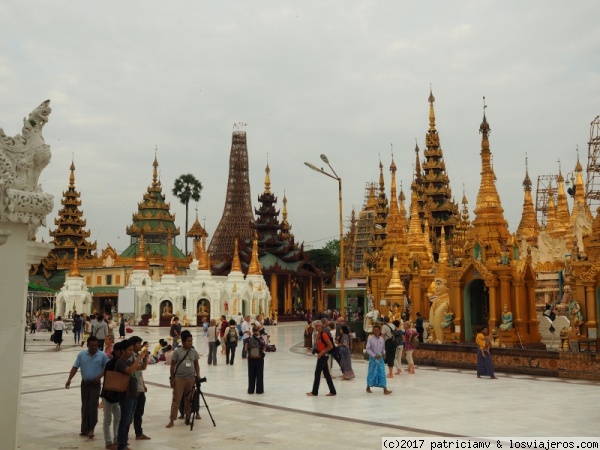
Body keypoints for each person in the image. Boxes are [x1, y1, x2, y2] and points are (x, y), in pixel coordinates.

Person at [65, 336, 109, 439]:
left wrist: (99, 377)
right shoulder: (82, 355)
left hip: (95, 384)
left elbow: (107, 368)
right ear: (87, 345)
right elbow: (75, 367)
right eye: (92, 345)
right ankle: (84, 428)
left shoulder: (102, 355)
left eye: (95, 345)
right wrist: (69, 379)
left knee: (93, 406)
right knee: (84, 406)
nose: (94, 347)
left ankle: (91, 429)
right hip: (85, 384)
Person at [115, 339, 148, 450]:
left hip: (133, 395)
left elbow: (142, 368)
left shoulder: (129, 361)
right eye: (129, 350)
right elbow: (129, 371)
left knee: (128, 420)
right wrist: (138, 358)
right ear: (123, 351)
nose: (131, 352)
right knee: (124, 420)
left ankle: (124, 443)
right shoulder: (121, 362)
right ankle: (121, 444)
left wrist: (146, 357)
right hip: (126, 395)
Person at [166, 330, 200, 428]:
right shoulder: (177, 351)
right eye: (189, 341)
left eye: (191, 341)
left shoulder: (194, 352)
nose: (191, 342)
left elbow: (196, 365)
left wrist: (198, 375)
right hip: (179, 379)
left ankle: (187, 417)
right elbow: (172, 366)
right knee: (176, 399)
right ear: (183, 341)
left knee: (189, 399)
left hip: (190, 378)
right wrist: (172, 379)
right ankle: (172, 420)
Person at [127, 337, 151, 441]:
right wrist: (140, 357)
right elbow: (134, 368)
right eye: (138, 343)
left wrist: (145, 358)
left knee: (139, 412)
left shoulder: (137, 356)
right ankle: (124, 435)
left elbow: (142, 369)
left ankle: (139, 433)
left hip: (140, 388)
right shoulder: (130, 356)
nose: (140, 345)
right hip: (133, 389)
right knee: (129, 414)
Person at [101, 341, 122, 450]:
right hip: (109, 395)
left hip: (117, 395)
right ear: (118, 351)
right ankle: (108, 442)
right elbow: (108, 381)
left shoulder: (121, 362)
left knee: (118, 417)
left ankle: (117, 439)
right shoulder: (111, 364)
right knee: (107, 419)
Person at [306, 320, 336, 397]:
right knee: (326, 374)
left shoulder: (324, 334)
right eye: (315, 326)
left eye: (317, 326)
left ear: (321, 326)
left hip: (323, 356)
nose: (315, 327)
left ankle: (314, 392)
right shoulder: (318, 334)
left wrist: (322, 352)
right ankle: (332, 391)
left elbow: (330, 346)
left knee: (317, 373)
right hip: (322, 355)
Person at [366, 325, 392, 395]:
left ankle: (385, 389)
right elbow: (368, 349)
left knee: (382, 373)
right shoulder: (370, 339)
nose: (376, 332)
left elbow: (383, 348)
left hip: (380, 359)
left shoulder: (381, 339)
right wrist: (374, 356)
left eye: (377, 330)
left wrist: (384, 353)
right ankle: (368, 387)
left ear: (379, 331)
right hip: (373, 359)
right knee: (371, 372)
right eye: (374, 330)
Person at [246, 324, 266, 394]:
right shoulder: (261, 339)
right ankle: (259, 390)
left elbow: (246, 349)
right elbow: (264, 348)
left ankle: (250, 390)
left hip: (251, 358)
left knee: (251, 374)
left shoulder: (249, 339)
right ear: (258, 331)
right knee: (259, 374)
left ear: (252, 331)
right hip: (259, 358)